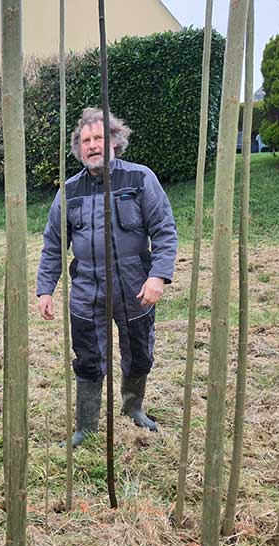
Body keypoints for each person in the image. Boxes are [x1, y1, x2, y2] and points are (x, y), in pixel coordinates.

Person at [36, 108, 178, 446]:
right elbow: (54, 243)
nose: (92, 145)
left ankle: (133, 408)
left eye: (98, 138)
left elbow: (164, 231)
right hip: (87, 286)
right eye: (86, 141)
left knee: (140, 351)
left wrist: (158, 275)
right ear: (78, 148)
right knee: (86, 356)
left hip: (135, 283)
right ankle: (86, 425)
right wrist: (45, 290)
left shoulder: (141, 179)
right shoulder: (69, 191)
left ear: (114, 141)